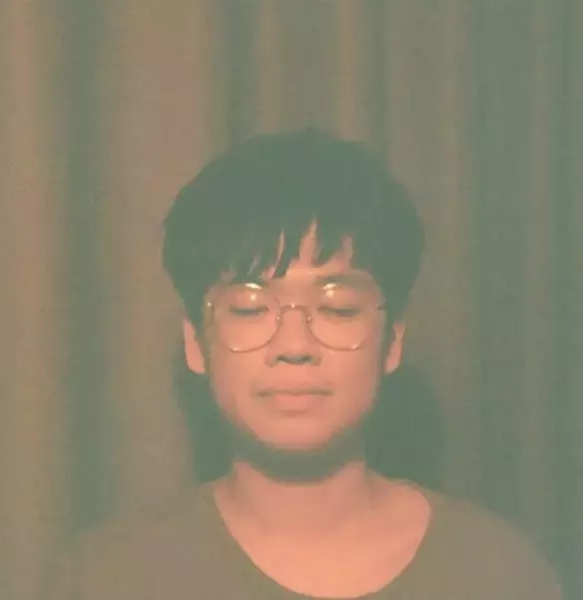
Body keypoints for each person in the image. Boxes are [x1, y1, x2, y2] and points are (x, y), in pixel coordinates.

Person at [43, 129, 563, 599]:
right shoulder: (107, 578)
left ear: (393, 342)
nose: (294, 345)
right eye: (250, 309)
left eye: (338, 308)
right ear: (196, 343)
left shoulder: (499, 574)